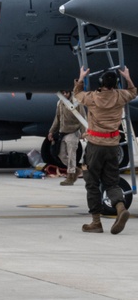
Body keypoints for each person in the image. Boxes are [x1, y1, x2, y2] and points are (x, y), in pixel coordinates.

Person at [74, 66, 136, 234]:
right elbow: (133, 92)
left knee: (91, 182)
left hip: (95, 146)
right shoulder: (121, 96)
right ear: (116, 83)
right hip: (112, 146)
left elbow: (77, 94)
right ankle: (120, 207)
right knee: (111, 182)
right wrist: (128, 77)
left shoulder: (93, 98)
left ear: (101, 83)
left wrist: (81, 77)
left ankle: (96, 222)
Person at [47, 91, 84, 186]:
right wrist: (51, 131)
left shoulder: (76, 102)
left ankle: (70, 177)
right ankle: (75, 170)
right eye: (62, 93)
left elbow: (82, 117)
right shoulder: (60, 102)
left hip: (73, 132)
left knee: (72, 154)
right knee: (60, 153)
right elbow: (57, 118)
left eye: (66, 93)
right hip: (63, 132)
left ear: (69, 92)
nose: (64, 95)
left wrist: (84, 133)